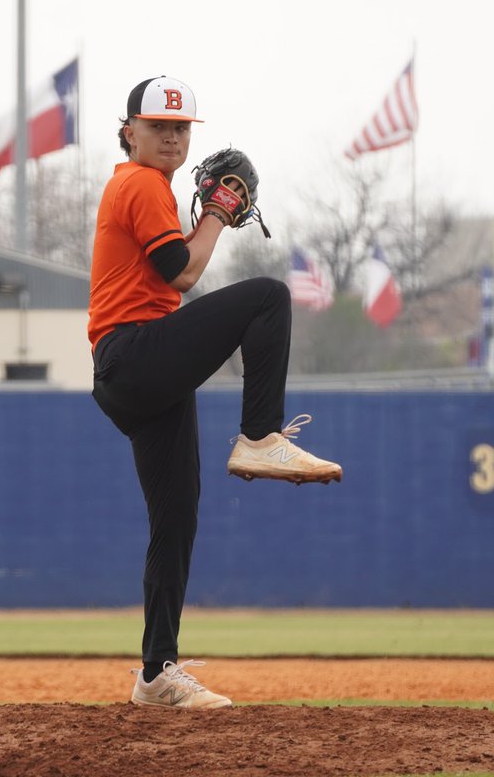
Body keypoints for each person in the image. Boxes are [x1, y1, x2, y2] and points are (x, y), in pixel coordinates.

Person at [88, 76, 342, 710]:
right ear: (130, 132)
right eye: (157, 126)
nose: (171, 136)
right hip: (135, 354)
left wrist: (205, 215)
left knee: (176, 519)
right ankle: (260, 437)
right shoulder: (139, 182)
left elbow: (173, 276)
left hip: (137, 374)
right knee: (269, 297)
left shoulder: (147, 188)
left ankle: (155, 674)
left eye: (180, 129)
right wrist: (218, 215)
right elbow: (186, 270)